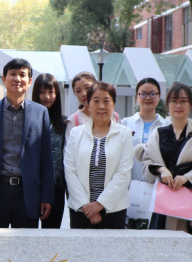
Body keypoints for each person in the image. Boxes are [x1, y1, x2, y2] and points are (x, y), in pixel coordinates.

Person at [134, 82, 192, 258]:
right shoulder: (159, 133)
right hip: (163, 204)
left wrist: (187, 178)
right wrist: (161, 170)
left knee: (187, 254)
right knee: (160, 255)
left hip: (190, 204)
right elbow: (147, 160)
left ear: (191, 104)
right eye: (174, 101)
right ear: (168, 104)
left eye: (183, 101)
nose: (178, 105)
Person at [0, 58, 54, 228]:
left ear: (29, 81)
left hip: (27, 194)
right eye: (12, 74)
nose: (17, 79)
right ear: (4, 79)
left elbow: (46, 159)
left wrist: (46, 196)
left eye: (22, 75)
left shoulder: (40, 113)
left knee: (25, 243)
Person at [64, 82, 133, 229]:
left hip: (113, 210)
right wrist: (86, 206)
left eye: (106, 101)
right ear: (88, 104)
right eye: (96, 101)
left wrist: (100, 204)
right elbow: (70, 170)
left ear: (113, 104)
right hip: (81, 210)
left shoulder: (124, 133)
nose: (101, 106)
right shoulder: (76, 133)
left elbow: (123, 173)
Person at [122, 78, 168, 230]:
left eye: (152, 93)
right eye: (143, 94)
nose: (148, 97)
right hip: (129, 188)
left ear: (159, 97)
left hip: (157, 189)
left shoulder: (166, 126)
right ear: (137, 96)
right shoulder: (125, 123)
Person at [33, 73, 67, 229]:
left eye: (51, 92)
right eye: (42, 92)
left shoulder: (64, 122)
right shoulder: (29, 119)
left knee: (51, 232)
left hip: (56, 187)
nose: (46, 96)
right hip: (32, 185)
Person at [65, 72, 120, 141]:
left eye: (87, 88)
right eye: (78, 91)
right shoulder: (74, 120)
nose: (84, 93)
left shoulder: (114, 116)